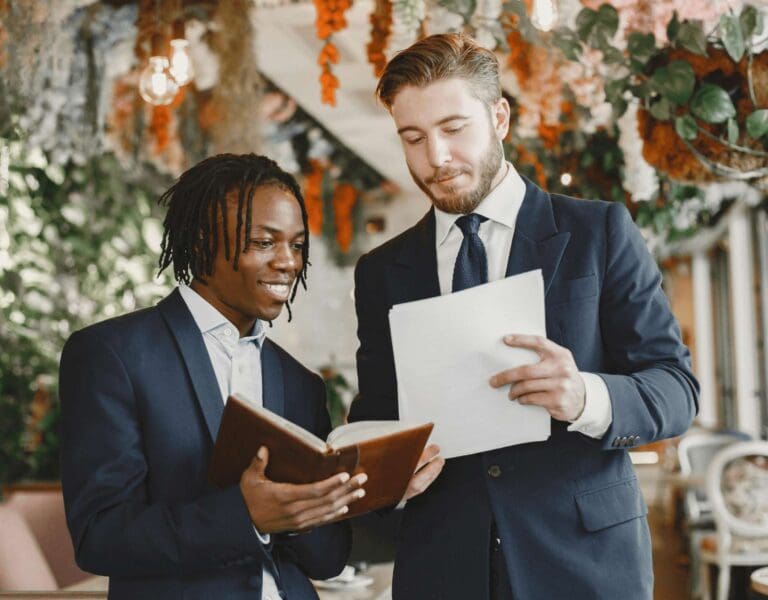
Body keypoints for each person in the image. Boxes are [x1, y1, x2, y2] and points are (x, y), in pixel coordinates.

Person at [348, 33, 699, 599]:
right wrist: (388, 475)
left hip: (583, 562)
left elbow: (676, 389)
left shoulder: (599, 232)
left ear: (500, 117)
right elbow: (378, 414)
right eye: (413, 138)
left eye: (453, 129)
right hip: (442, 565)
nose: (435, 158)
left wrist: (586, 396)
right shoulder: (381, 271)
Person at [60, 153, 366, 599]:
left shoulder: (300, 382)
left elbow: (329, 558)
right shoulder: (114, 355)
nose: (288, 262)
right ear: (204, 242)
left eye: (297, 245)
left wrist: (312, 508)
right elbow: (100, 536)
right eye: (264, 242)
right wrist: (245, 517)